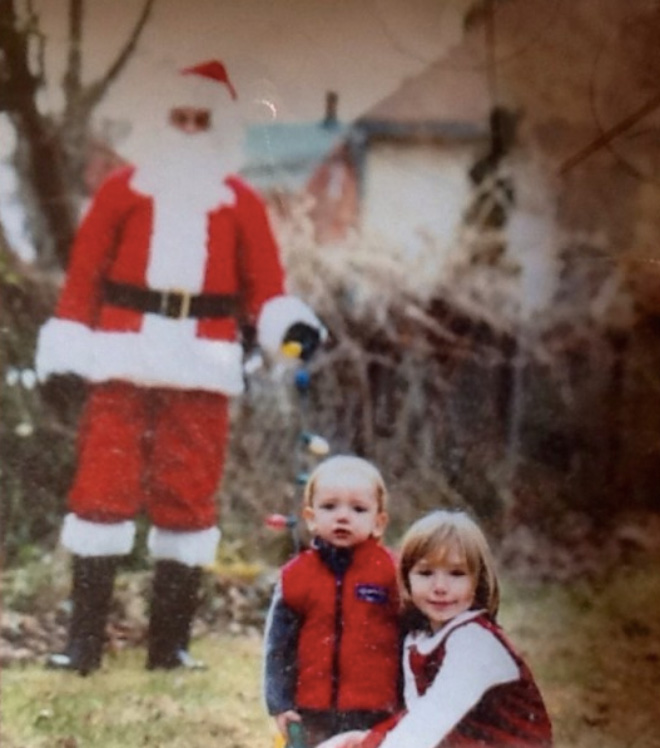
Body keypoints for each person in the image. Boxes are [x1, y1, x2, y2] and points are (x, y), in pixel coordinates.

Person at [35, 59, 325, 675]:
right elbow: (83, 277)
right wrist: (65, 349)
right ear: (158, 121)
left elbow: (266, 287)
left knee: (189, 499)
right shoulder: (121, 194)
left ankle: (169, 649)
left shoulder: (240, 204)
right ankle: (82, 647)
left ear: (219, 127)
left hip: (203, 366)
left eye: (202, 120)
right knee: (100, 494)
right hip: (121, 360)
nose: (190, 129)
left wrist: (289, 327)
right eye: (179, 118)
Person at [319, 510, 553, 748]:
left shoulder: (474, 643)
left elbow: (428, 725)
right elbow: (415, 717)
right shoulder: (418, 638)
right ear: (406, 578)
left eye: (457, 574)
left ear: (477, 580)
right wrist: (367, 740)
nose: (440, 587)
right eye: (426, 573)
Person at [263, 455, 402, 747]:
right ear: (311, 518)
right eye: (329, 506)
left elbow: (411, 640)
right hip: (311, 710)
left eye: (358, 508)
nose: (343, 516)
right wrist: (279, 703)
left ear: (378, 522)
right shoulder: (296, 575)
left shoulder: (393, 573)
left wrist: (409, 702)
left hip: (376, 709)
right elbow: (278, 647)